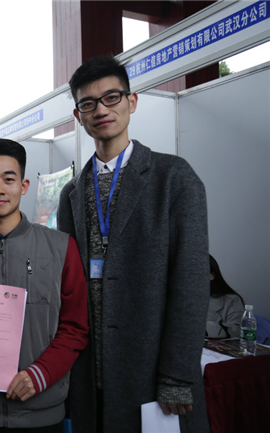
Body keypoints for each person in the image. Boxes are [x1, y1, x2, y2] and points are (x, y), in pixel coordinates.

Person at [58, 56, 210, 433]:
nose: (101, 110)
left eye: (111, 97)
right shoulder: (72, 193)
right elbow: (69, 287)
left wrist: (177, 375)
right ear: (78, 116)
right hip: (90, 371)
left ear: (132, 101)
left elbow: (191, 282)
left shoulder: (173, 178)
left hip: (152, 368)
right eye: (88, 103)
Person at [0, 139, 89, 432]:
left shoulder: (61, 248)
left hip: (42, 411)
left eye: (9, 179)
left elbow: (76, 327)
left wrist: (40, 374)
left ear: (24, 186)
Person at [206, 255, 244, 339]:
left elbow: (237, 331)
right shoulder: (178, 299)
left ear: (211, 275)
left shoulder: (231, 300)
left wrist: (201, 328)